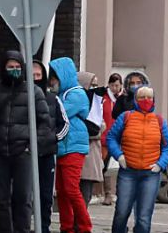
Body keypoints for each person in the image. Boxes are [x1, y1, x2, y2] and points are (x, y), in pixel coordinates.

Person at [0, 51, 51, 233]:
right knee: (2, 200)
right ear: (3, 68)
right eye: (10, 67)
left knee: (23, 198)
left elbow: (44, 124)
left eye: (17, 67)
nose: (14, 70)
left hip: (23, 152)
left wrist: (31, 146)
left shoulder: (34, 92)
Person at [107, 86, 168, 233]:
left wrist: (160, 164)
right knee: (121, 213)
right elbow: (111, 138)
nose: (146, 100)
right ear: (136, 100)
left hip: (150, 174)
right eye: (142, 97)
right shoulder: (126, 117)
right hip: (128, 172)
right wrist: (119, 155)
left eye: (149, 97)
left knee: (144, 218)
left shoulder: (159, 121)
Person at [50, 57, 92, 233]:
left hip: (73, 147)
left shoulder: (76, 94)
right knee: (62, 191)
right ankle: (66, 228)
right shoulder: (63, 95)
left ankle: (84, 227)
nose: (51, 82)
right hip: (63, 147)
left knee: (71, 189)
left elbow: (59, 114)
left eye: (54, 78)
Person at [32, 59, 64, 233]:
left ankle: (43, 227)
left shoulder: (53, 98)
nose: (35, 78)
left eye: (38, 75)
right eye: (32, 75)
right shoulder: (20, 96)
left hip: (46, 154)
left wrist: (53, 138)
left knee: (45, 195)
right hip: (25, 153)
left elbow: (64, 124)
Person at [77, 72, 106, 205]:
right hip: (77, 156)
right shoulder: (78, 102)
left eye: (96, 85)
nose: (94, 88)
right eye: (91, 85)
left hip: (91, 157)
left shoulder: (97, 102)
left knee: (85, 196)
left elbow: (101, 126)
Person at [101, 72, 123, 206]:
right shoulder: (103, 99)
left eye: (118, 85)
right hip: (105, 137)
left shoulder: (123, 99)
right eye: (113, 85)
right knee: (104, 167)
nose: (115, 88)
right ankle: (107, 193)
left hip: (119, 138)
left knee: (122, 166)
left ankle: (120, 194)